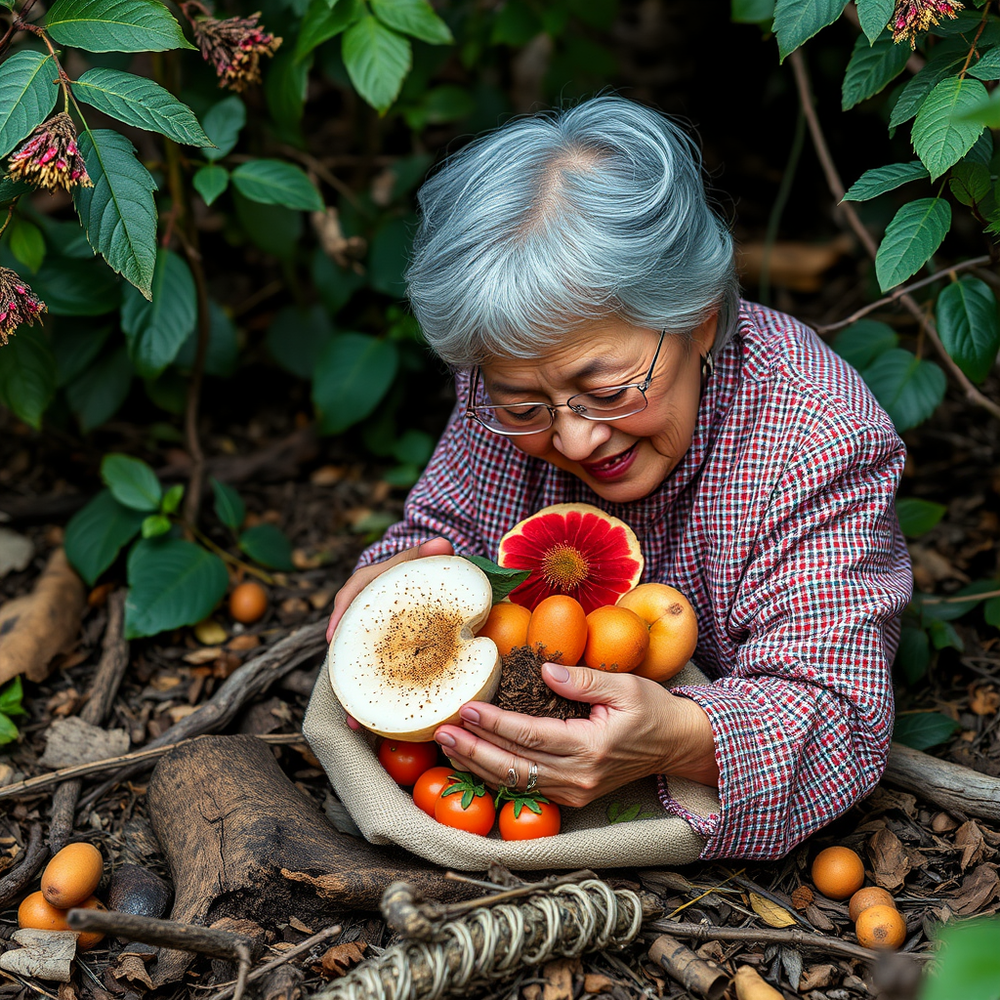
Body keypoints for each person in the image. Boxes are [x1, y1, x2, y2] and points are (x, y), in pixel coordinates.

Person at [324, 95, 912, 860]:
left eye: (607, 392)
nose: (573, 436)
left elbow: (841, 715)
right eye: (525, 404)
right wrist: (399, 575)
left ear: (699, 316)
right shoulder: (505, 390)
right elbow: (446, 532)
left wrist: (684, 739)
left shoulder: (816, 437)